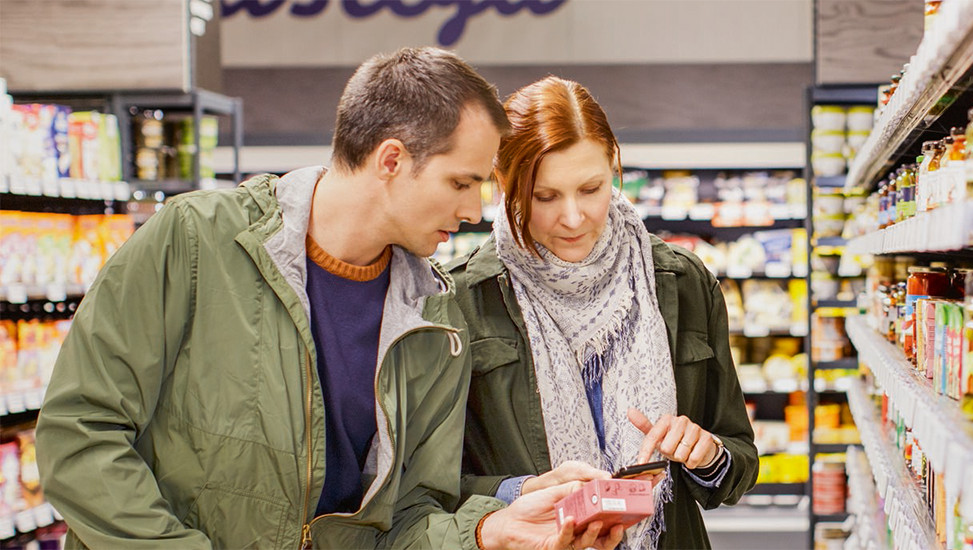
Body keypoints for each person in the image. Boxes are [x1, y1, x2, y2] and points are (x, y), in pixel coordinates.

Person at [35, 48, 622, 550]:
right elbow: (80, 431)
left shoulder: (435, 320)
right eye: (461, 182)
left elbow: (406, 516)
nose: (474, 212)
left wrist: (488, 528)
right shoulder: (195, 243)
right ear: (391, 159)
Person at [448, 76, 759, 550]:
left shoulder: (681, 282)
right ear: (505, 184)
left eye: (591, 188)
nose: (573, 218)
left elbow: (739, 459)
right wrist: (521, 494)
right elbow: (425, 487)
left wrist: (708, 454)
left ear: (613, 165)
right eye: (544, 196)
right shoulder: (463, 298)